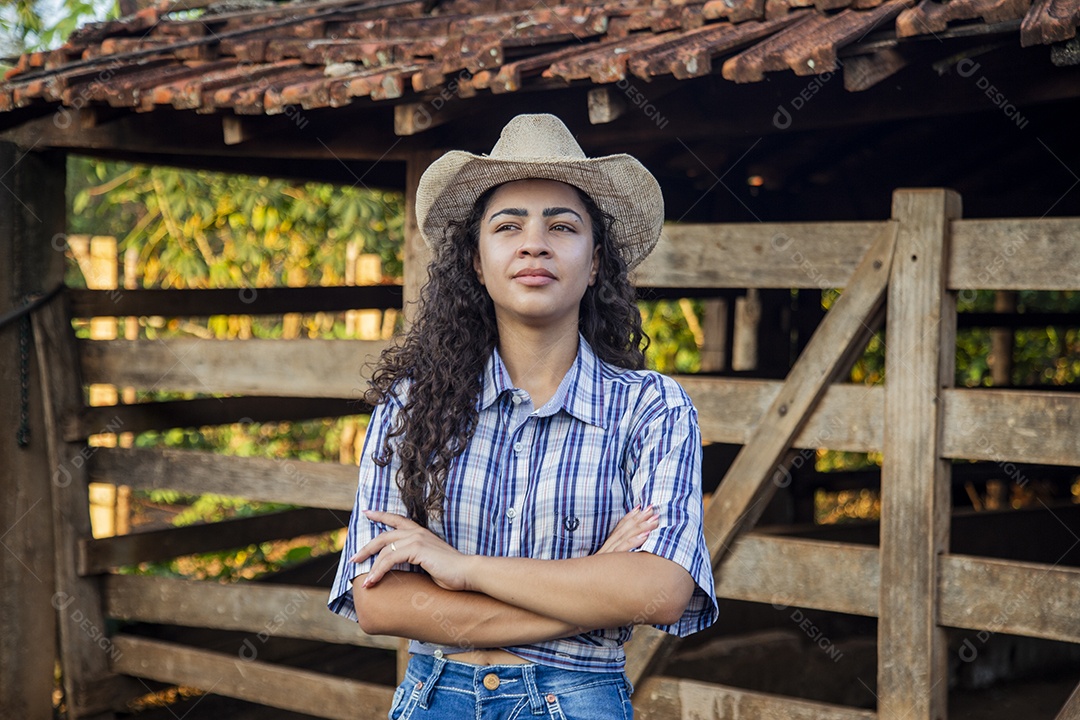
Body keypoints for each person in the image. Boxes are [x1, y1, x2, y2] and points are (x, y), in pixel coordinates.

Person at [328, 113, 717, 719]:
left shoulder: (652, 409)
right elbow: (380, 604)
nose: (535, 242)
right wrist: (593, 585)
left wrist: (460, 569)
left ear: (595, 265)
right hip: (434, 700)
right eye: (508, 225)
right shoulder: (412, 405)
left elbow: (662, 591)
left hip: (578, 702)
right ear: (478, 263)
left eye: (562, 226)